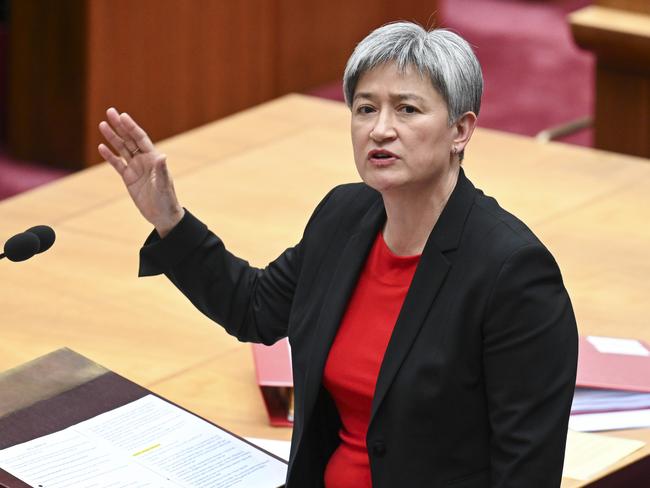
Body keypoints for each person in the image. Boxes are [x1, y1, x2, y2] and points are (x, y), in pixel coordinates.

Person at [98, 22, 578, 488]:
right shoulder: (343, 216)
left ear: (461, 130)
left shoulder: (513, 273)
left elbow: (525, 473)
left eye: (408, 110)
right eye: (366, 109)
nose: (381, 130)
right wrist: (170, 219)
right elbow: (255, 309)